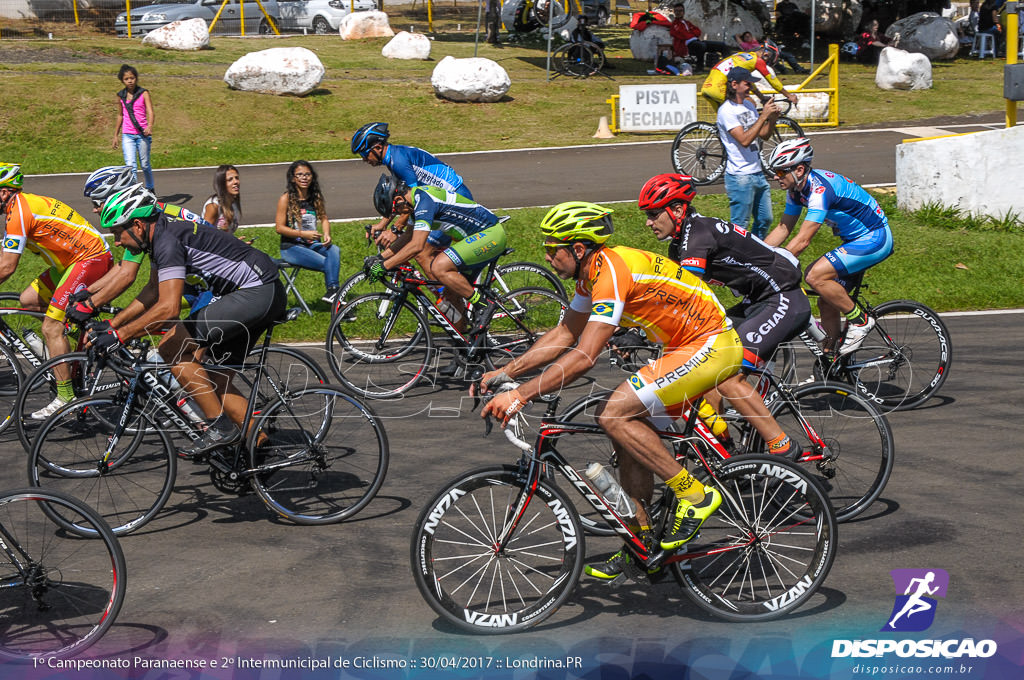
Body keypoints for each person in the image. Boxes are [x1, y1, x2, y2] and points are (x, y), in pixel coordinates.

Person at [476, 202, 744, 582]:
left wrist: (520, 395)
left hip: (711, 344)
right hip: (683, 348)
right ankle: (642, 542)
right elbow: (565, 333)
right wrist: (506, 370)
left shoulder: (611, 272)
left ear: (579, 249)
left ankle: (694, 495)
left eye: (554, 248)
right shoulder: (591, 275)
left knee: (613, 413)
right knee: (623, 429)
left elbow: (585, 355)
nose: (548, 256)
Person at [94, 185, 286, 458]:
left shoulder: (167, 241)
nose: (117, 242)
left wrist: (121, 335)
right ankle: (258, 448)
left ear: (136, 225)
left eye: (117, 233)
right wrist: (114, 325)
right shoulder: (162, 235)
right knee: (213, 380)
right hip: (260, 292)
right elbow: (152, 290)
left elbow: (168, 308)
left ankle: (219, 429)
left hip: (256, 292)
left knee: (171, 348)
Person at [637, 173, 810, 455]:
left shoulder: (698, 235)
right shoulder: (679, 243)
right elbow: (664, 292)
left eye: (654, 214)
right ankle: (724, 448)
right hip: (757, 301)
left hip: (783, 299)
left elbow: (685, 296)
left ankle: (783, 446)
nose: (648, 222)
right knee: (705, 364)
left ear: (678, 209)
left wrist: (643, 327)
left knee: (727, 374)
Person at [0, 162, 114, 418]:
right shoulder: (19, 206)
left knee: (51, 326)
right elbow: (5, 257)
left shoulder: (19, 211)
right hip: (72, 263)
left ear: (4, 192)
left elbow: (7, 267)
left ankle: (65, 397)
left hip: (90, 259)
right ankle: (72, 335)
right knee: (28, 300)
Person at [763, 138, 894, 355]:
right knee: (826, 302)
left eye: (779, 172)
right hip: (854, 241)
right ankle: (831, 360)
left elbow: (803, 240)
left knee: (814, 276)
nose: (776, 178)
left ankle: (860, 321)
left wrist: (774, 266)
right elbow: (783, 228)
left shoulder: (820, 190)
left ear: (799, 168)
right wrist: (755, 257)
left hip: (875, 237)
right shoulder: (796, 190)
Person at [365, 174, 507, 369]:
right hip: (476, 239)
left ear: (398, 199)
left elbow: (416, 246)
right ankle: (466, 356)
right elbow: (407, 237)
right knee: (451, 299)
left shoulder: (424, 201)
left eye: (395, 211)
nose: (398, 215)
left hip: (490, 234)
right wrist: (380, 258)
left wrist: (385, 266)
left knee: (439, 266)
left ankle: (483, 304)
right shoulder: (416, 205)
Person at [68, 172, 215, 328]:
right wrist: (89, 293)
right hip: (193, 276)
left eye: (97, 203)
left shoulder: (143, 223)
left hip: (211, 282)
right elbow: (124, 266)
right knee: (142, 319)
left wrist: (90, 304)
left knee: (162, 325)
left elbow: (127, 275)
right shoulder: (143, 216)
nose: (94, 209)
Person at [351, 122, 474, 249]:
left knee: (423, 250)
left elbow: (412, 201)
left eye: (364, 155)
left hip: (455, 198)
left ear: (377, 148)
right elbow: (400, 198)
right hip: (443, 201)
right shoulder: (393, 157)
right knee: (426, 251)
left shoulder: (398, 162)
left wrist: (395, 229)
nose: (364, 160)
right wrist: (383, 224)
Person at [716, 67, 780, 238]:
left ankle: (753, 251)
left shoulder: (749, 105)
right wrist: (762, 116)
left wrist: (772, 118)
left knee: (765, 219)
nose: (751, 87)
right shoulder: (726, 111)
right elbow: (744, 140)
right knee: (740, 224)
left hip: (757, 172)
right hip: (740, 177)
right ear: (734, 85)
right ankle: (735, 258)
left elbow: (764, 135)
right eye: (747, 83)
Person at [274, 160, 341, 304]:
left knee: (334, 250)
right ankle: (336, 296)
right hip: (291, 247)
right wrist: (303, 234)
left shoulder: (315, 196)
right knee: (327, 264)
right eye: (299, 175)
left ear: (312, 177)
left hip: (311, 244)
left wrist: (327, 233)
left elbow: (324, 218)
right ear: (293, 178)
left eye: (307, 174)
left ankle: (333, 292)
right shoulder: (286, 199)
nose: (304, 178)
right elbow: (279, 228)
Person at [700, 41, 799, 107]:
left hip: (706, 88)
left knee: (724, 124)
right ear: (766, 55)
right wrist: (789, 95)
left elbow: (748, 82)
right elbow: (773, 81)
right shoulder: (758, 61)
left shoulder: (740, 55)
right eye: (771, 57)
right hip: (719, 89)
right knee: (751, 105)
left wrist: (761, 97)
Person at [113, 64, 155, 192]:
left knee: (145, 164)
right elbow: (120, 115)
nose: (130, 81)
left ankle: (150, 188)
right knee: (130, 166)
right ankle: (134, 191)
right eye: (126, 79)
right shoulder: (121, 96)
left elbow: (150, 111)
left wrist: (150, 126)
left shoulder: (143, 93)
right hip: (128, 135)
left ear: (136, 78)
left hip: (143, 134)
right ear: (122, 80)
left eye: (132, 78)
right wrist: (115, 135)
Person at [667, 2, 731, 72]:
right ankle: (699, 67)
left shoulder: (687, 22)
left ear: (683, 12)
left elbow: (698, 31)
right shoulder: (674, 25)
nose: (678, 13)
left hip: (697, 41)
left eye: (680, 11)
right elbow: (683, 35)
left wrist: (690, 33)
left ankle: (729, 66)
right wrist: (691, 33)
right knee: (701, 46)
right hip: (687, 45)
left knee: (722, 45)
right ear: (674, 12)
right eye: (676, 11)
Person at [736, 31, 809, 74]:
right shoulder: (744, 44)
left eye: (749, 36)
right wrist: (741, 35)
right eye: (746, 37)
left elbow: (754, 35)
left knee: (788, 55)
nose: (748, 38)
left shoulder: (754, 41)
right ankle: (783, 70)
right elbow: (736, 36)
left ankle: (798, 68)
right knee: (773, 60)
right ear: (743, 38)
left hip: (768, 51)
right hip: (761, 56)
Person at [203, 164, 243, 236]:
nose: (235, 182)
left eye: (237, 178)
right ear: (222, 184)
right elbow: (205, 235)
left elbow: (226, 236)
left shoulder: (234, 202)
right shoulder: (213, 205)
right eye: (230, 179)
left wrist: (236, 243)